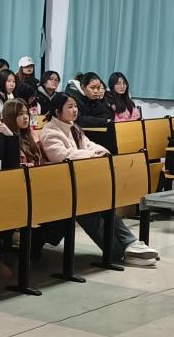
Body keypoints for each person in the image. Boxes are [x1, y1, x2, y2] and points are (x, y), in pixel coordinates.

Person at [39, 93, 159, 265]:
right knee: (89, 213)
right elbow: (63, 156)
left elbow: (89, 144)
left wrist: (101, 151)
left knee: (106, 204)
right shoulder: (51, 132)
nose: (75, 110)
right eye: (70, 107)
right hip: (62, 187)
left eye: (75, 106)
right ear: (58, 111)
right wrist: (92, 154)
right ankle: (119, 253)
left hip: (80, 183)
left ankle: (130, 244)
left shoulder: (73, 127)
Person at [3, 98, 45, 166]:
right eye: (20, 114)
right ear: (10, 116)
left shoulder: (31, 135)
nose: (26, 117)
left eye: (27, 113)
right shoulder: (5, 139)